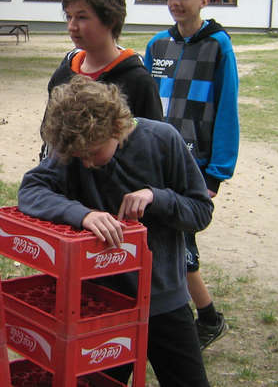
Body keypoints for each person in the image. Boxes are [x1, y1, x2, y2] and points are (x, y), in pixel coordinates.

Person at [20, 75, 214, 387]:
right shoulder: (75, 147)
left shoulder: (163, 140)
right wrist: (82, 214)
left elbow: (201, 211)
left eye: (93, 152)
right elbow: (31, 190)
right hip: (101, 303)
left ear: (116, 127)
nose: (86, 164)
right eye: (79, 157)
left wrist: (157, 197)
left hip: (163, 298)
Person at [144, 0, 239, 350]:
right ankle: (194, 315)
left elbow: (227, 111)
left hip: (193, 167)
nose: (175, 2)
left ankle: (207, 318)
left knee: (180, 242)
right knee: (168, 239)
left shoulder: (218, 47)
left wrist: (216, 174)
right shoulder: (156, 45)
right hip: (157, 162)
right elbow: (146, 106)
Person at [40, 0, 162, 160]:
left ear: (110, 20)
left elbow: (153, 148)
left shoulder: (138, 81)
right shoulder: (64, 73)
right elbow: (49, 137)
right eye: (69, 17)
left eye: (82, 17)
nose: (72, 26)